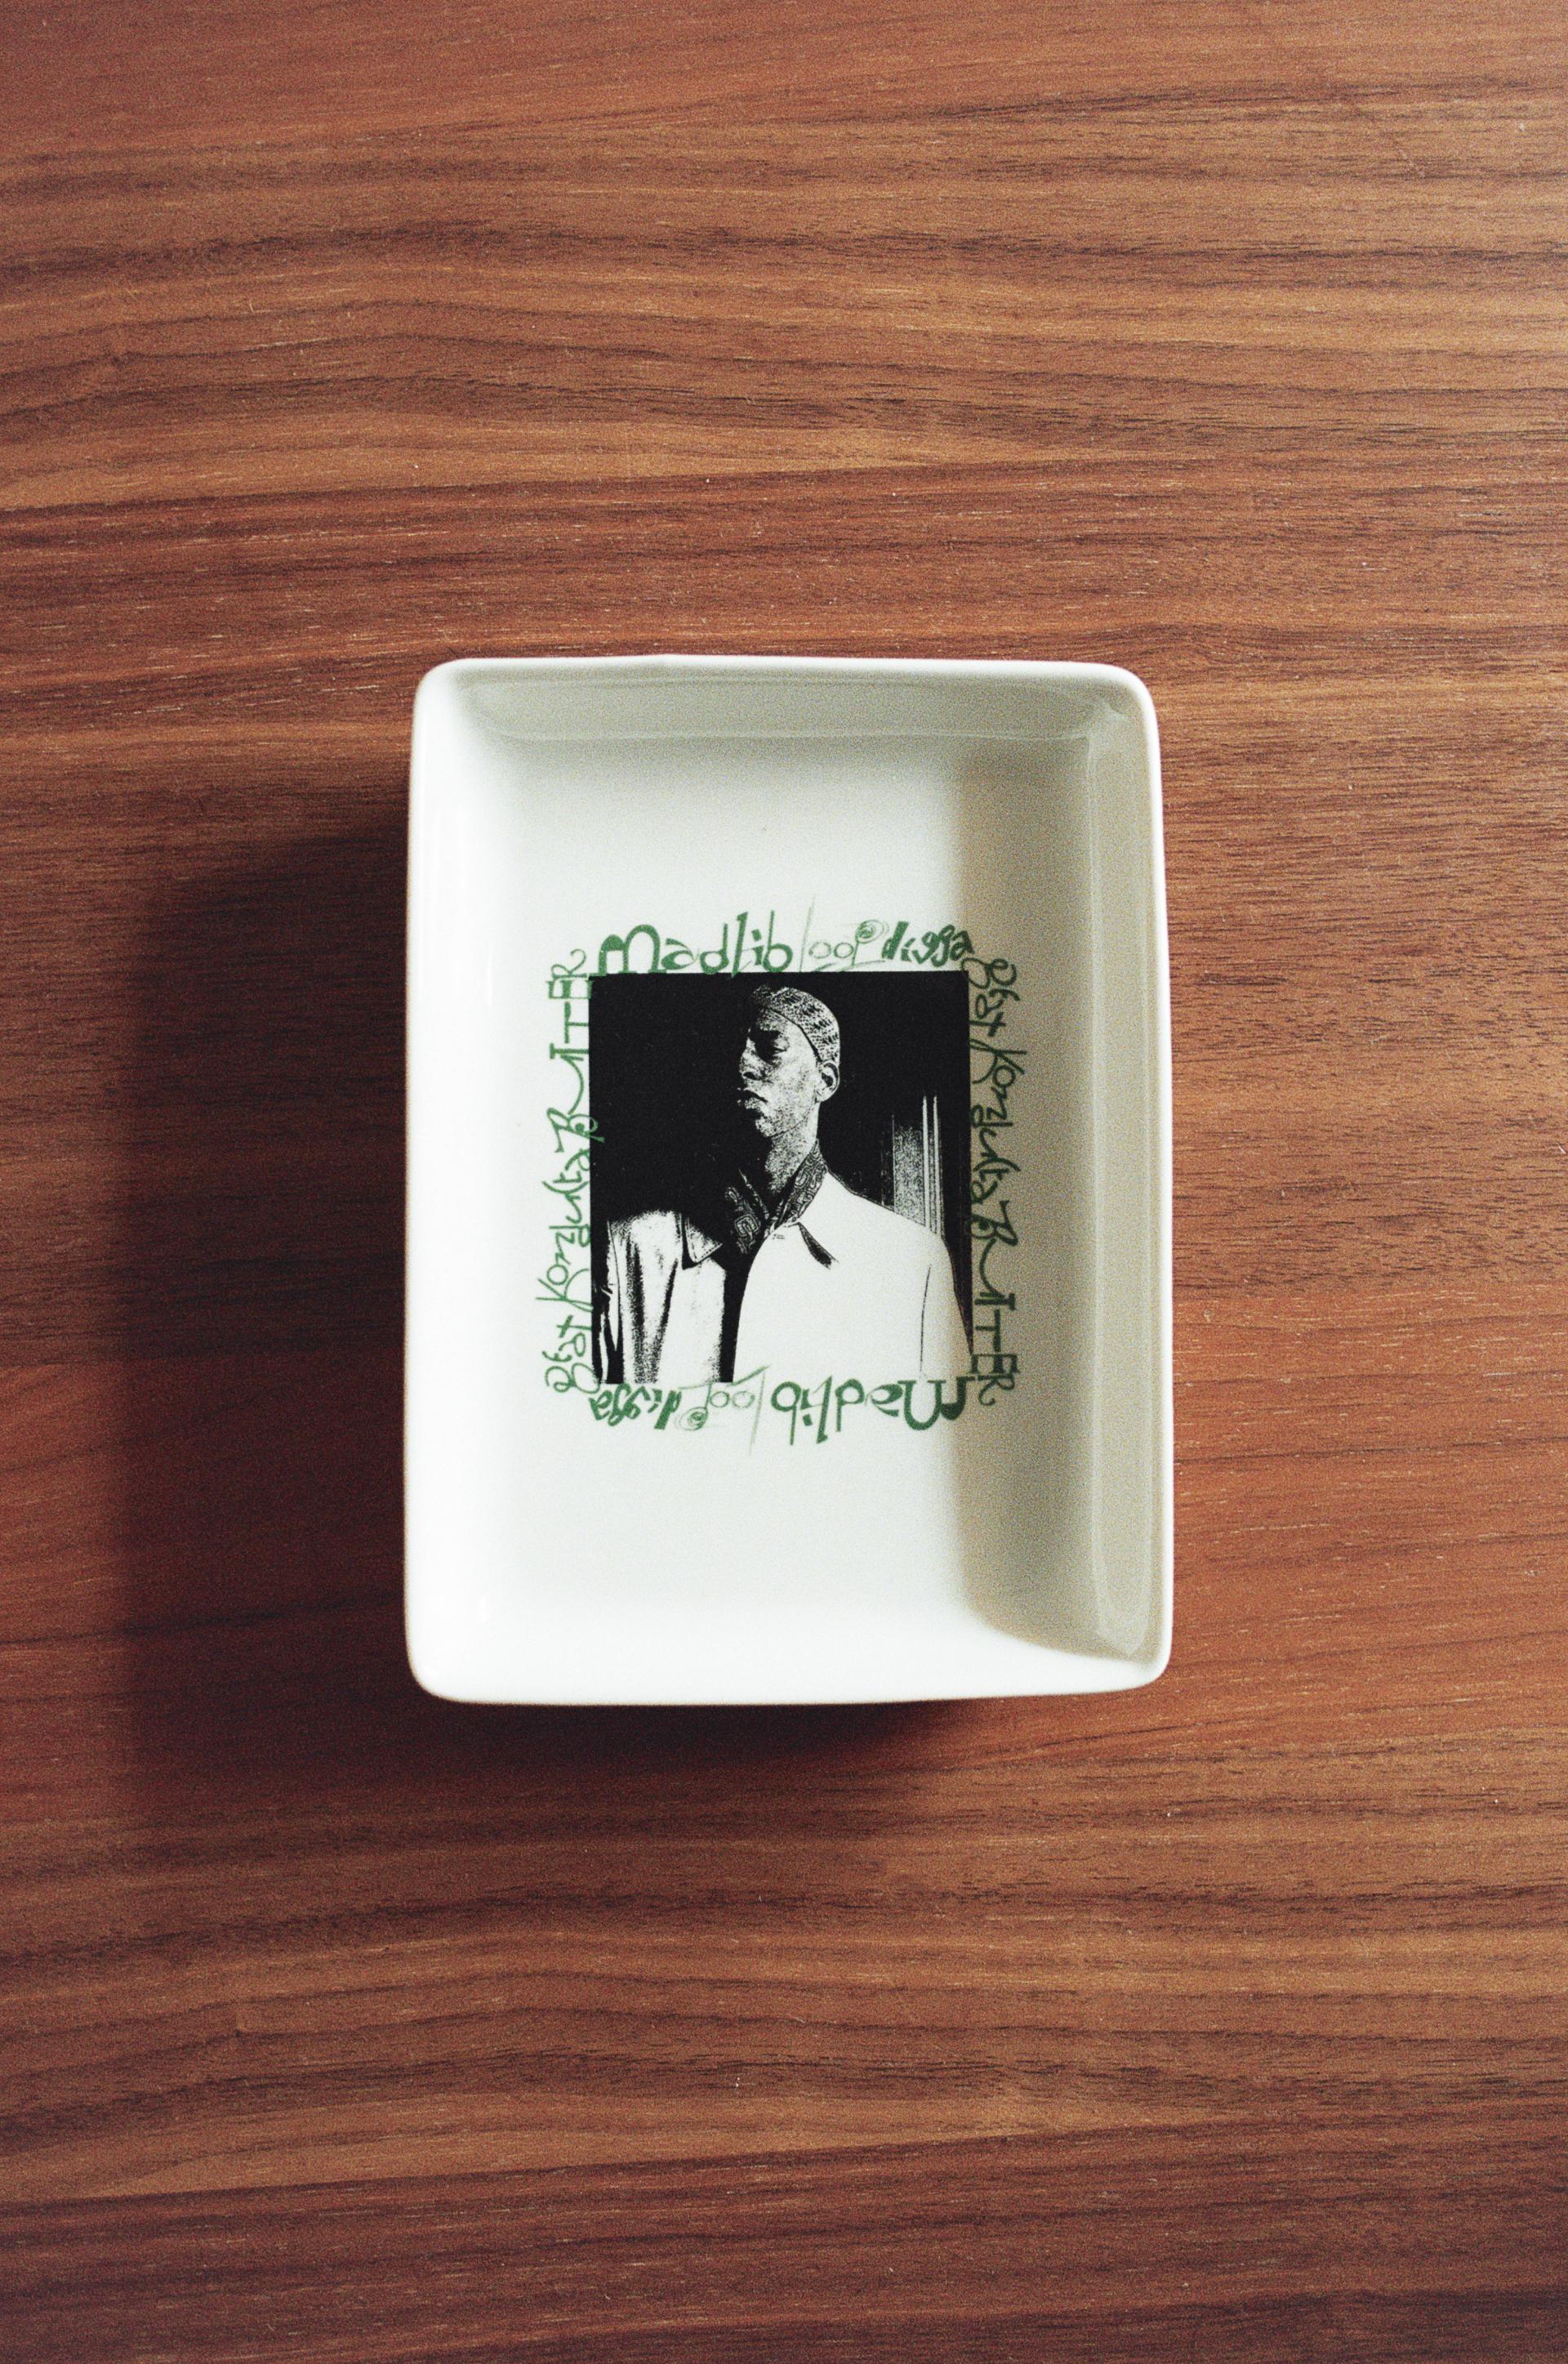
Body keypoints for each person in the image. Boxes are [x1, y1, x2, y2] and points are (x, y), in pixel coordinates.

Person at [597, 983, 969, 1385]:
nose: (742, 1065)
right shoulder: (631, 1248)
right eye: (731, 1050)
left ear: (825, 1081)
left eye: (770, 1048)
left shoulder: (912, 1261)